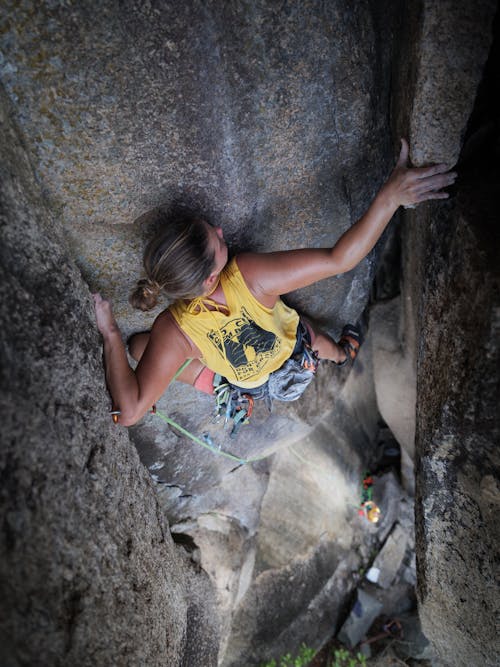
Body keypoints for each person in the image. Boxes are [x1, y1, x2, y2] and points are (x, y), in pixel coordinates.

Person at [94, 139, 456, 426]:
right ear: (209, 277)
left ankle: (227, 390)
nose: (222, 232)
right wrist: (390, 197)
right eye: (218, 241)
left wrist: (110, 333)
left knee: (139, 346)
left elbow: (128, 413)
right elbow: (339, 260)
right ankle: (345, 352)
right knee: (319, 343)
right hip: (289, 356)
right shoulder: (249, 277)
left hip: (245, 380)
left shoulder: (170, 331)